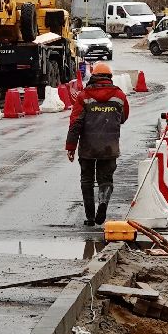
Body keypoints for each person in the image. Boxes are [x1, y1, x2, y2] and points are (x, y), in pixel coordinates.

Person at [65, 62, 130, 226]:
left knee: (87, 180)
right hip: (109, 147)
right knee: (106, 179)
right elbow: (123, 118)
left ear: (93, 76)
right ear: (110, 77)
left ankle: (90, 217)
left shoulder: (83, 96)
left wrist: (71, 147)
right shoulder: (120, 96)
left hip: (87, 148)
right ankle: (103, 203)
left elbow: (75, 123)